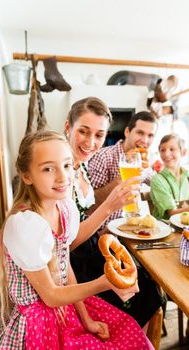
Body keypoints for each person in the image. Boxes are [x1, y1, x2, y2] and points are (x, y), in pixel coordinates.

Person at [0, 130, 153, 350]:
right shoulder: (25, 225)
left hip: (65, 310)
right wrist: (104, 283)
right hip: (35, 326)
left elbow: (65, 268)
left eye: (66, 166)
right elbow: (51, 297)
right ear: (27, 176)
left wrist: (87, 320)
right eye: (48, 168)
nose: (62, 177)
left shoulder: (64, 207)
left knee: (130, 332)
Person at [65, 99, 165, 329]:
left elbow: (153, 188)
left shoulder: (82, 166)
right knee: (146, 292)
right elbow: (67, 240)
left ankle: (133, 335)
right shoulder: (70, 170)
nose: (91, 142)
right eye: (83, 131)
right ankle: (125, 334)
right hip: (84, 254)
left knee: (150, 287)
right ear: (68, 127)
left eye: (99, 134)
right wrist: (116, 190)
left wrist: (164, 169)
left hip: (110, 240)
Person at [88, 110, 158, 230]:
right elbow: (89, 204)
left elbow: (157, 184)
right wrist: (121, 181)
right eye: (140, 133)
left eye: (150, 135)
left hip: (130, 227)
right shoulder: (103, 157)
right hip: (101, 231)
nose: (145, 140)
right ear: (127, 132)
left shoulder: (143, 161)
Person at [150, 133, 189, 220]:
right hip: (166, 230)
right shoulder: (158, 180)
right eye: (162, 150)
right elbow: (172, 214)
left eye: (172, 149)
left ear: (183, 152)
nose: (166, 154)